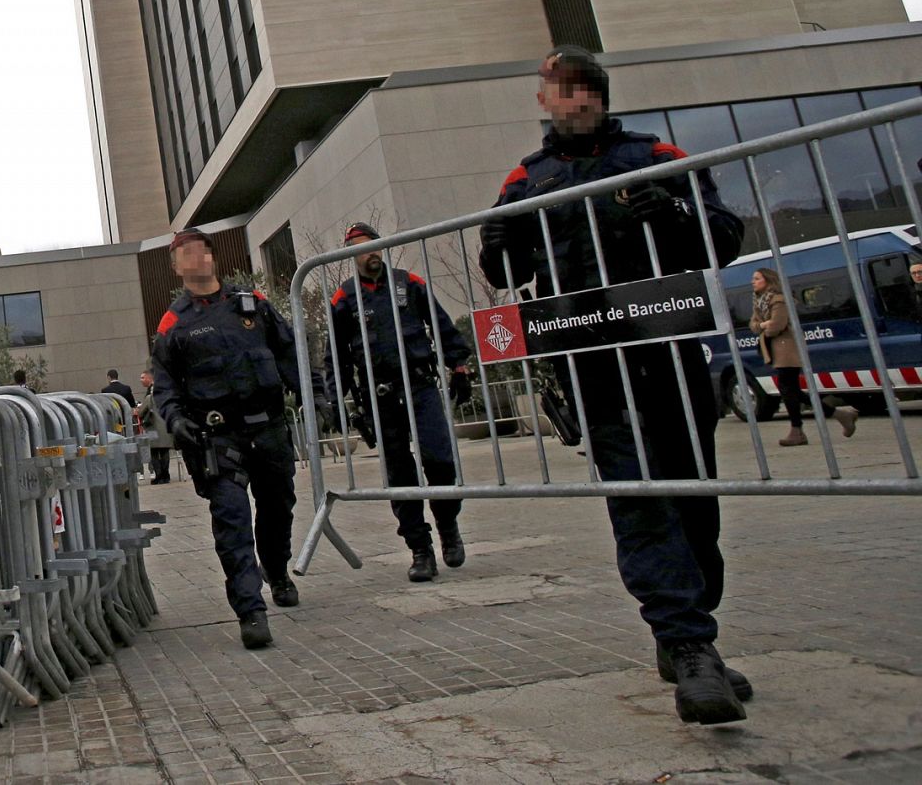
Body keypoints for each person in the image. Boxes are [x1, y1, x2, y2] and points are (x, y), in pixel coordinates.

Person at [479, 45, 751, 726]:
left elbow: (722, 239)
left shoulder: (658, 155)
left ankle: (687, 626)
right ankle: (689, 645)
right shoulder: (528, 179)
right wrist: (498, 240)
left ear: (599, 96)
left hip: (670, 353)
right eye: (561, 90)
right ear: (545, 102)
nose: (574, 100)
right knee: (639, 500)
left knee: (693, 499)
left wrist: (673, 214)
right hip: (595, 368)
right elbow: (502, 269)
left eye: (584, 88)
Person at [151, 228, 304, 649]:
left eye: (199, 251)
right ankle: (250, 610)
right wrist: (175, 418)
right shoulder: (174, 323)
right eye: (183, 255)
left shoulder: (252, 305)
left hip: (268, 429)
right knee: (232, 522)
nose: (193, 260)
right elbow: (164, 385)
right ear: (176, 267)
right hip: (219, 437)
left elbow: (290, 352)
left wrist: (317, 394)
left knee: (278, 508)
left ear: (212, 257)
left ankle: (276, 569)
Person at [329, 222, 474, 583]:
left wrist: (458, 365)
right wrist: (334, 397)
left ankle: (447, 524)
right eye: (360, 248)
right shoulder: (344, 298)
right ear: (350, 255)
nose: (369, 252)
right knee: (400, 475)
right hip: (381, 396)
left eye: (373, 245)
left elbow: (440, 324)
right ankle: (420, 549)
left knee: (440, 459)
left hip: (421, 386)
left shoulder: (408, 283)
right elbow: (337, 356)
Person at [749, 268, 857, 446]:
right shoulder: (758, 301)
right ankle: (839, 415)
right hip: (776, 350)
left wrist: (765, 326)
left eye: (757, 278)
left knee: (788, 390)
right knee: (792, 391)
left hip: (787, 350)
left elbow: (777, 325)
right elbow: (752, 325)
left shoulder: (779, 299)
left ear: (768, 280)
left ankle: (798, 430)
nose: (753, 281)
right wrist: (762, 324)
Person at [136, 369, 174, 483]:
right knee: (164, 452)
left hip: (153, 429)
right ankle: (166, 475)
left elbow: (141, 412)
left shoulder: (149, 398)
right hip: (165, 428)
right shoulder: (166, 397)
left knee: (154, 453)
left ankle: (158, 476)